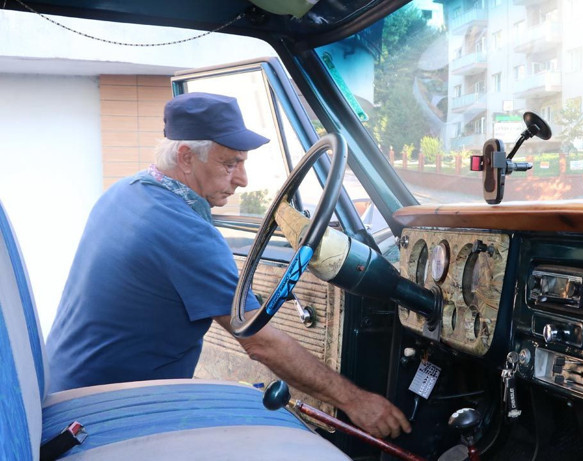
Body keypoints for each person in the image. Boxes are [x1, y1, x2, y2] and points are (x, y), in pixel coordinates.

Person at [46, 92, 411, 439]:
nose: (242, 179)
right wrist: (355, 401)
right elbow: (261, 343)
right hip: (107, 416)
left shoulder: (124, 191)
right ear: (186, 157)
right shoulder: (186, 233)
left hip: (65, 395)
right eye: (230, 163)